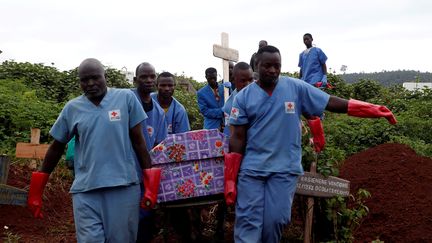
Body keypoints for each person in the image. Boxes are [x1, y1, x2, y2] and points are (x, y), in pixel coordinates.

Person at [224, 46, 397, 242]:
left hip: (284, 170)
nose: (273, 70)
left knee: (276, 221)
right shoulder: (243, 97)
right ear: (257, 66)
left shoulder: (295, 88)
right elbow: (237, 138)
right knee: (248, 223)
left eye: (277, 66)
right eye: (267, 66)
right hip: (252, 171)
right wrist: (230, 179)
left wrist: (372, 109)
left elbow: (329, 102)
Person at [26, 58, 160, 243]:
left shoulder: (125, 99)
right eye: (84, 80)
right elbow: (56, 148)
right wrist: (36, 190)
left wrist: (151, 185)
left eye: (95, 78)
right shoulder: (72, 108)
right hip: (86, 190)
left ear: (105, 77)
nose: (90, 84)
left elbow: (139, 142)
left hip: (123, 187)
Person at [132, 62, 168, 243]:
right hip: (124, 172)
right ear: (135, 79)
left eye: (152, 76)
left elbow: (160, 147)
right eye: (144, 76)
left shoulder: (159, 113)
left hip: (145, 173)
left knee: (145, 218)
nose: (148, 80)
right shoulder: (126, 101)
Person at [222, 62, 253, 137]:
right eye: (243, 81)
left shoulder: (260, 93)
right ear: (234, 80)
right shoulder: (230, 106)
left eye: (250, 80)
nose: (248, 84)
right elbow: (234, 131)